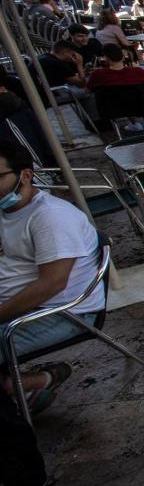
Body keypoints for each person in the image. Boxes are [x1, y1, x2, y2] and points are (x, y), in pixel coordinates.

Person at [0, 141, 107, 416]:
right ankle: (22, 388)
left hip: (64, 315)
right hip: (22, 307)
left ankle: (21, 387)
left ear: (25, 175)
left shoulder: (50, 217)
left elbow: (52, 283)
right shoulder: (8, 210)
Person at [87, 44, 144, 133]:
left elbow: (87, 91)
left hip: (113, 110)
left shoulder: (98, 74)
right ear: (123, 57)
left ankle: (102, 129)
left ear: (106, 58)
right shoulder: (138, 71)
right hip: (142, 107)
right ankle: (140, 122)